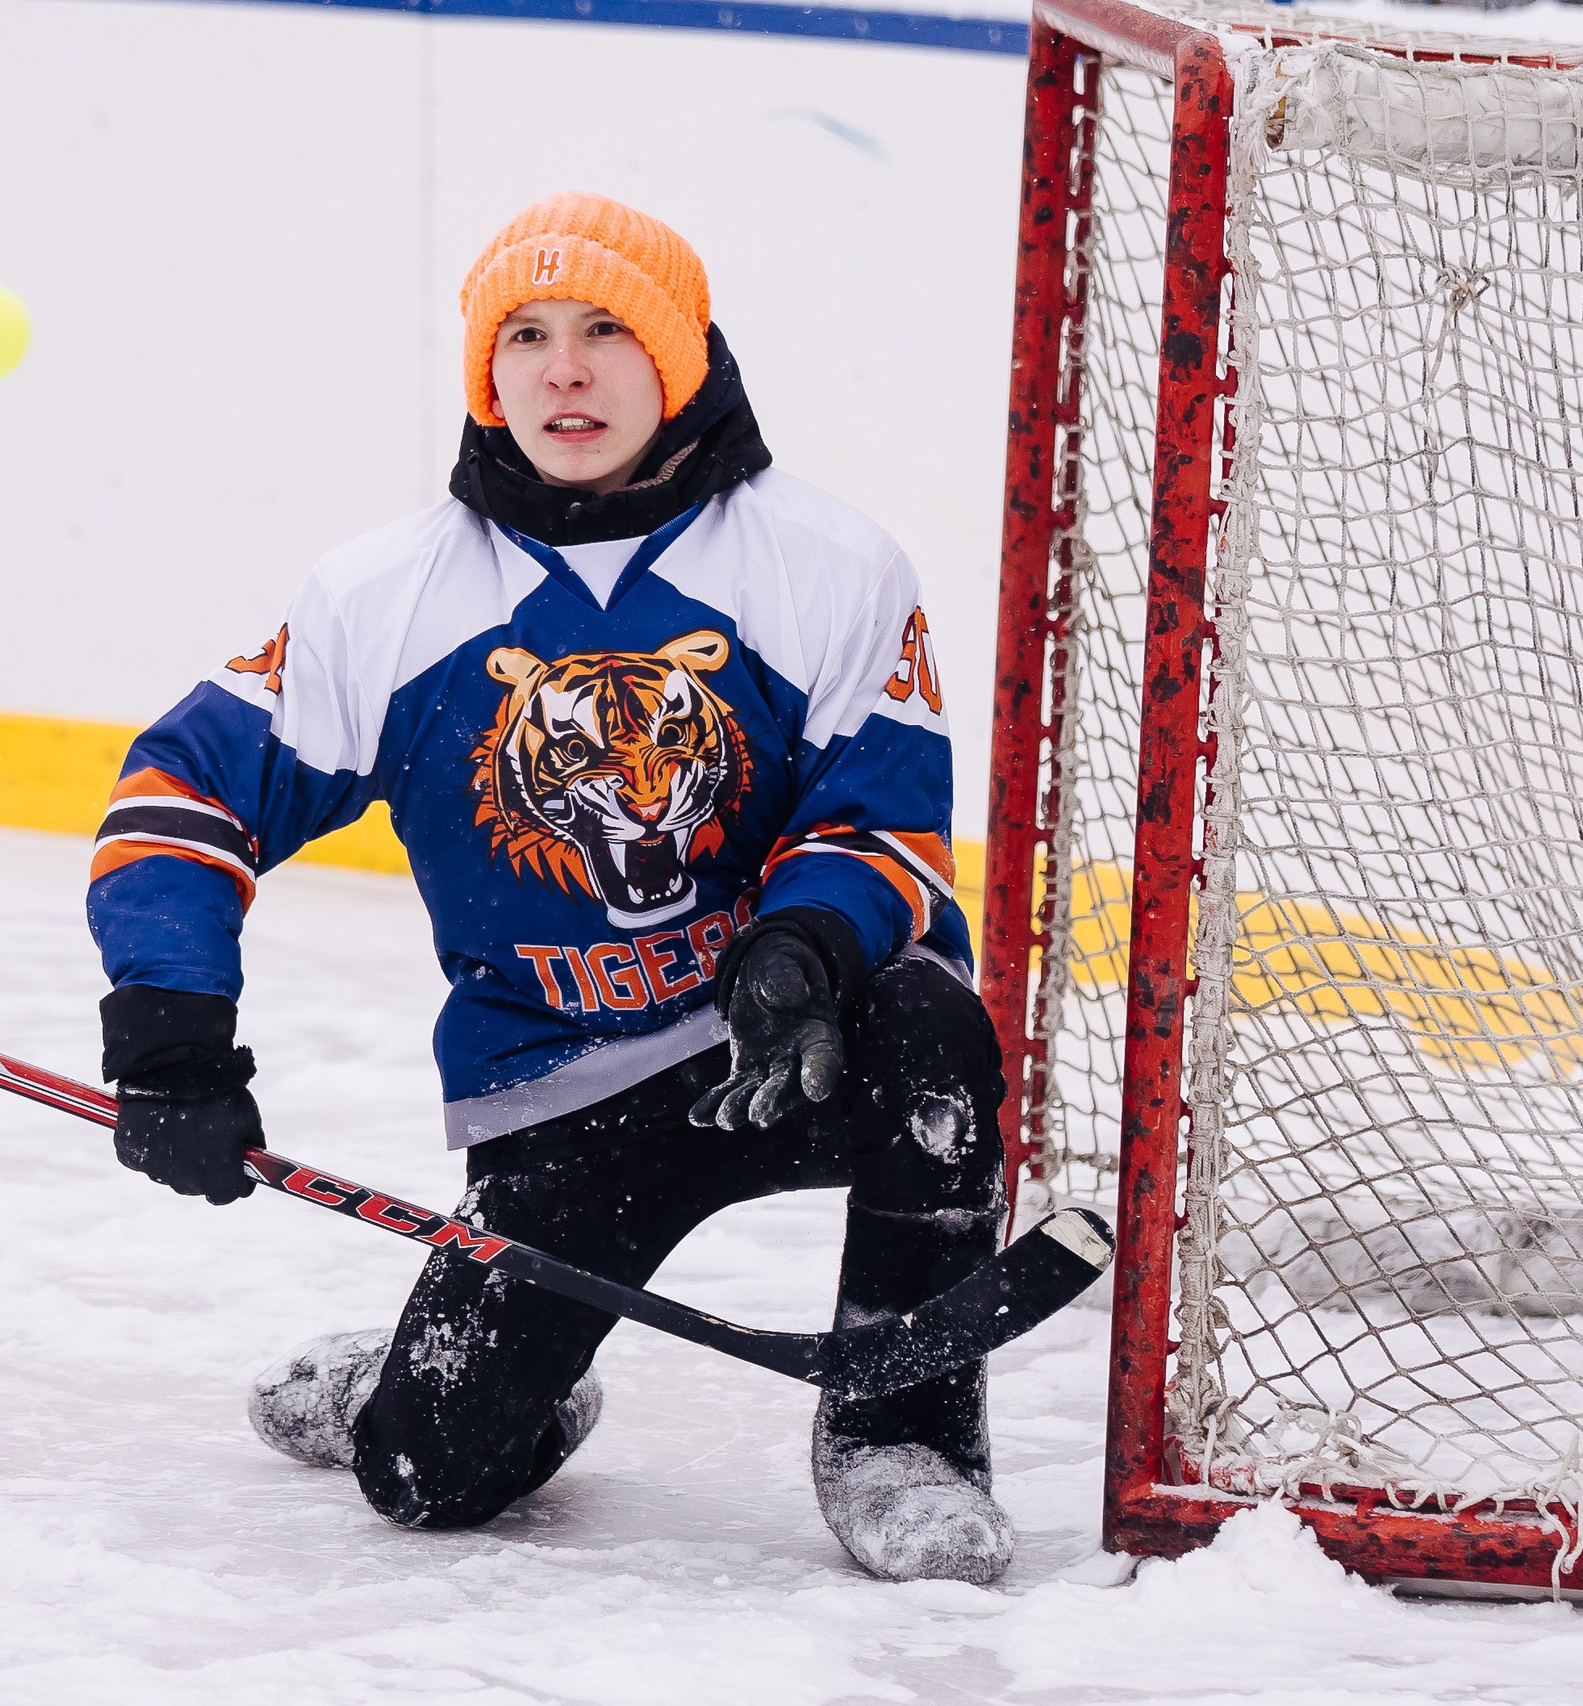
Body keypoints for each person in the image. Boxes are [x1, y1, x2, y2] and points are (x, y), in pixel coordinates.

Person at [87, 193, 1012, 1583]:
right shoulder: (389, 596)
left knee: (939, 1036)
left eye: (604, 331)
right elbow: (184, 795)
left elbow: (883, 821)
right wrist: (168, 1029)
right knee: (427, 1478)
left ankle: (902, 1436)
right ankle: (442, 1384)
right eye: (524, 335)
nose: (563, 370)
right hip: (560, 1085)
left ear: (680, 357)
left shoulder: (825, 564)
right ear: (487, 371)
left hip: (792, 1036)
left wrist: (807, 942)